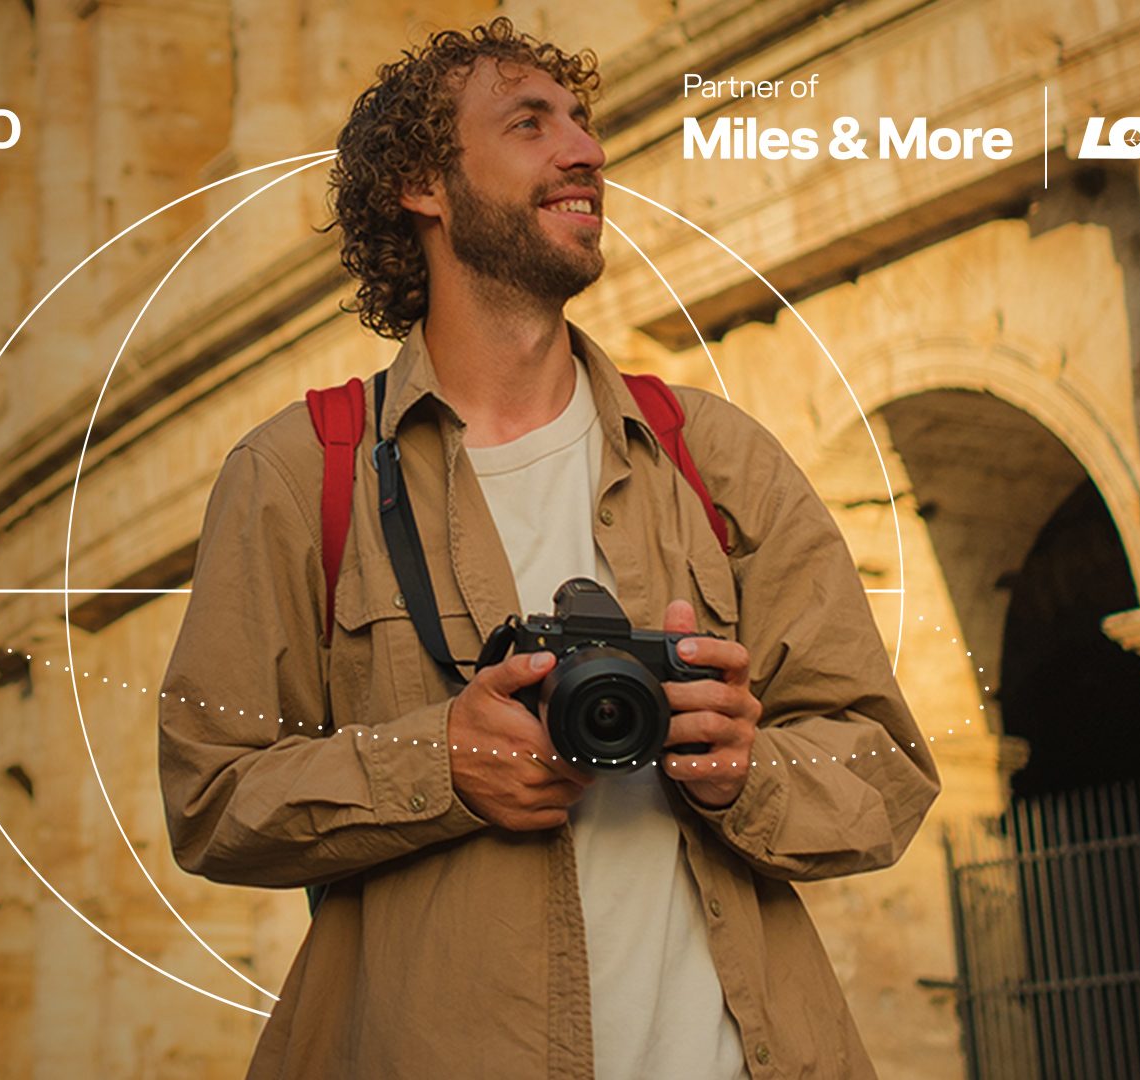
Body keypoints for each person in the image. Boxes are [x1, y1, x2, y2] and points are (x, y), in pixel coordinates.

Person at [157, 18, 940, 1079]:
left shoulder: (718, 458)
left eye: (583, 122)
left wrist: (742, 770)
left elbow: (883, 769)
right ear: (422, 184)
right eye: (531, 125)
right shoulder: (302, 476)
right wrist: (439, 765)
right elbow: (209, 801)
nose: (587, 151)